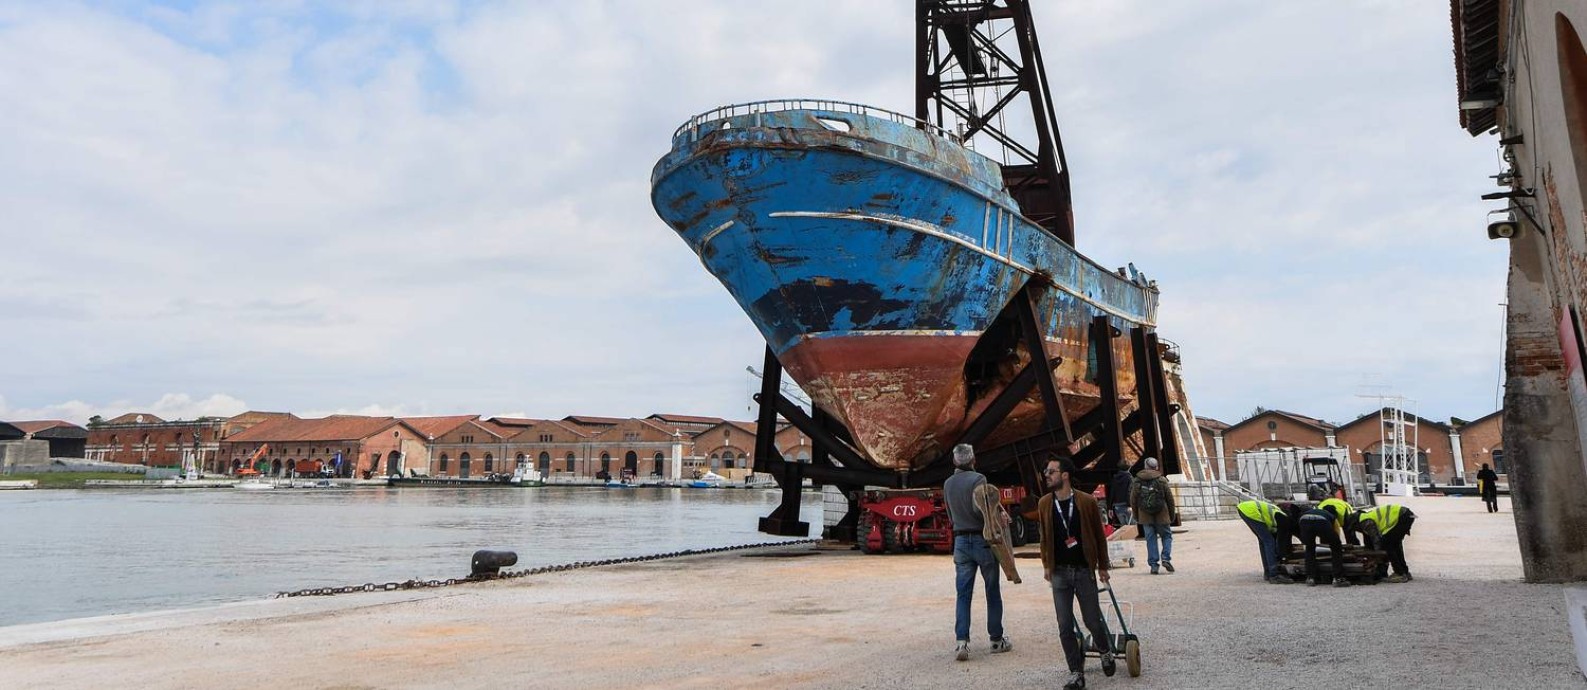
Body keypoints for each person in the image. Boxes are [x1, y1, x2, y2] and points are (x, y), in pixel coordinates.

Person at [1038, 456, 1115, 690]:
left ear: (1065, 475)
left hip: (1083, 570)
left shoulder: (1086, 502)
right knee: (1064, 626)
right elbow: (1044, 538)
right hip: (1060, 573)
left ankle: (1104, 650)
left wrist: (1102, 566)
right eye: (1046, 471)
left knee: (1092, 619)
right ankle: (1075, 673)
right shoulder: (1044, 504)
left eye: (1051, 471)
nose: (1046, 475)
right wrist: (1046, 566)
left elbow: (1098, 537)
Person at [942, 443, 1011, 661]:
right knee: (992, 590)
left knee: (963, 594)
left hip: (960, 542)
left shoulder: (947, 484)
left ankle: (962, 642)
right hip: (982, 540)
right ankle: (996, 640)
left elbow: (950, 516)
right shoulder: (979, 479)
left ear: (954, 462)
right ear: (974, 460)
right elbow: (983, 511)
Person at [1129, 457, 1175, 574]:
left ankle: (1154, 565)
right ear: (1156, 467)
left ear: (1145, 466)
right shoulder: (1161, 480)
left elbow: (1133, 499)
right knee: (1166, 536)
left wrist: (1136, 515)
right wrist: (1171, 515)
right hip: (1162, 514)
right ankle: (1165, 558)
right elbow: (1169, 499)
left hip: (1145, 515)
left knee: (1150, 539)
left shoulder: (1137, 480)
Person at [1236, 499, 1296, 583]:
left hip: (1244, 508)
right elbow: (1281, 542)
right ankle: (1274, 575)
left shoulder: (1278, 516)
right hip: (1251, 511)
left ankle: (1268, 572)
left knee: (1264, 541)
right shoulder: (1284, 519)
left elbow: (1278, 539)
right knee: (1269, 542)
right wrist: (1282, 555)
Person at [1354, 503, 1417, 583]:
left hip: (1401, 516)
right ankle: (1404, 572)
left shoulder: (1364, 521)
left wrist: (1377, 557)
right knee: (1396, 545)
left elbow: (1376, 541)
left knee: (1387, 544)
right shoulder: (1366, 516)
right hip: (1407, 514)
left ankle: (1400, 574)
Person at [1296, 503, 1351, 587]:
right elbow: (1336, 532)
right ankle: (1338, 578)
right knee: (1336, 547)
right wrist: (1335, 543)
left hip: (1303, 520)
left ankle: (1310, 578)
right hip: (1321, 521)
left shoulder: (1314, 510)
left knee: (1310, 548)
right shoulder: (1331, 516)